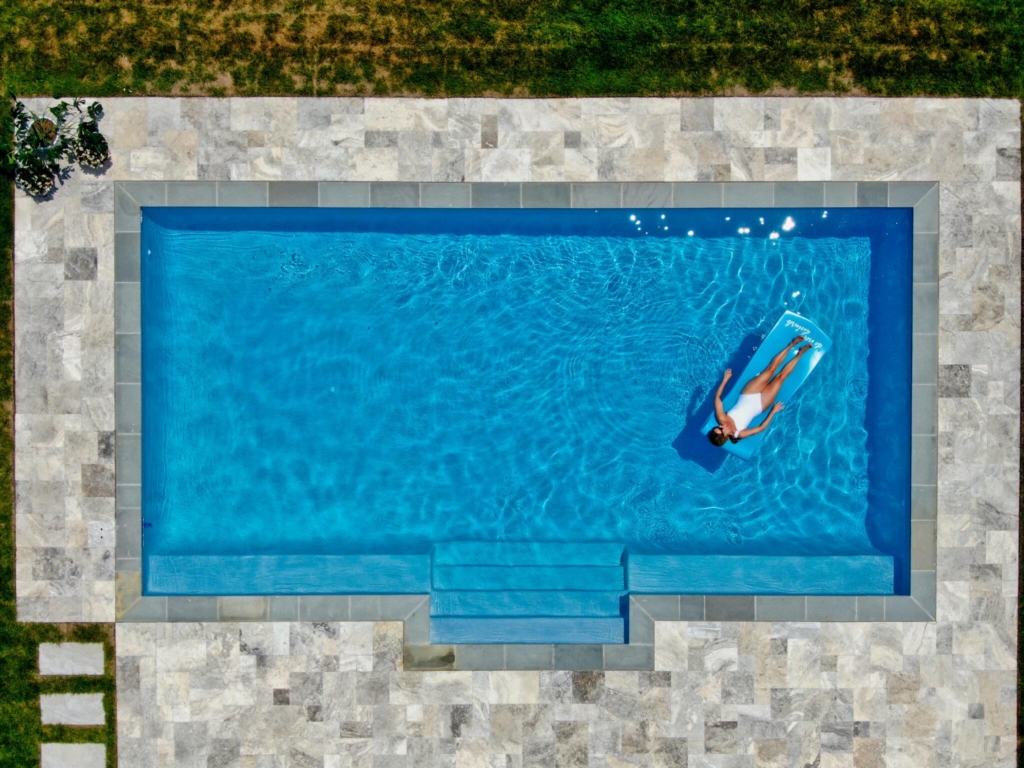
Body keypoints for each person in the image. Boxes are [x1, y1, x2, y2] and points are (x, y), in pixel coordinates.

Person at [708, 336, 812, 446]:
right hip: (761, 405)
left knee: (771, 369)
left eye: (718, 427)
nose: (721, 426)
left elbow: (717, 397)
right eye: (722, 429)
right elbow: (761, 428)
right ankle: (801, 353)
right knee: (781, 377)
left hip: (748, 393)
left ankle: (792, 344)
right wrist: (773, 411)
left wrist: (725, 380)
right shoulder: (739, 434)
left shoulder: (721, 418)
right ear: (725, 436)